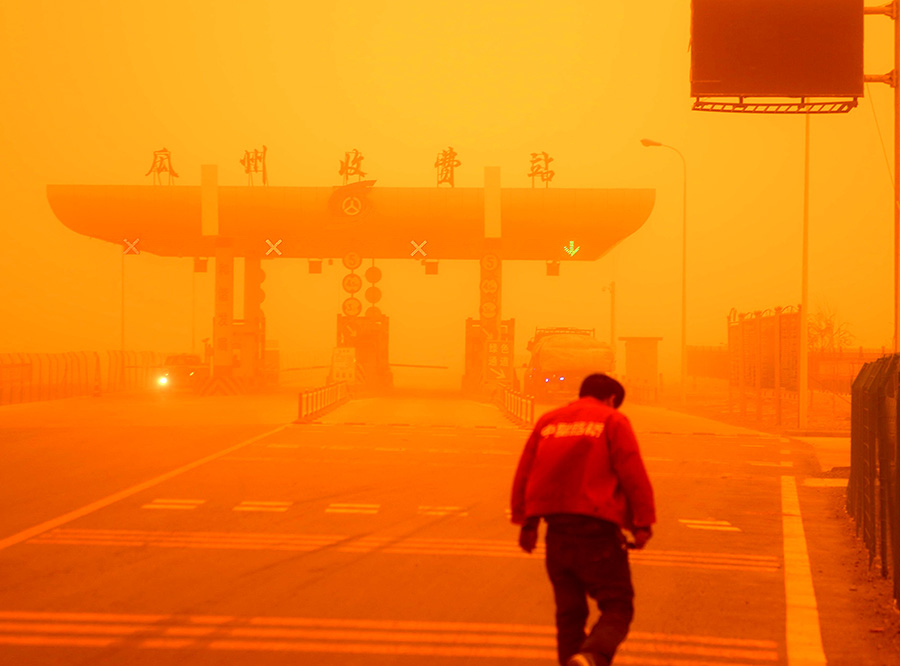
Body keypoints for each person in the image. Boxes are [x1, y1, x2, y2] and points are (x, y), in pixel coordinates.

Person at [510, 373, 656, 666]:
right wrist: (642, 523)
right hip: (597, 533)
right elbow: (632, 473)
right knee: (618, 606)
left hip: (557, 535)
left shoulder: (549, 421)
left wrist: (527, 524)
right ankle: (592, 656)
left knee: (569, 614)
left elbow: (526, 471)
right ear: (612, 400)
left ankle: (573, 662)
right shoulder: (612, 421)